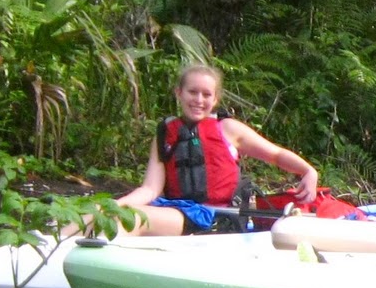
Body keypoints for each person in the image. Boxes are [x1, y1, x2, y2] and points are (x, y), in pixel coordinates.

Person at [116, 64, 319, 235]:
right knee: (113, 213)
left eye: (206, 95)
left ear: (215, 100)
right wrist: (118, 205)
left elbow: (276, 155)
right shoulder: (165, 134)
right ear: (179, 93)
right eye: (192, 92)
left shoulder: (228, 128)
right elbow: (150, 189)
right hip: (177, 212)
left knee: (130, 219)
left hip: (218, 218)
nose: (199, 100)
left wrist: (308, 171)